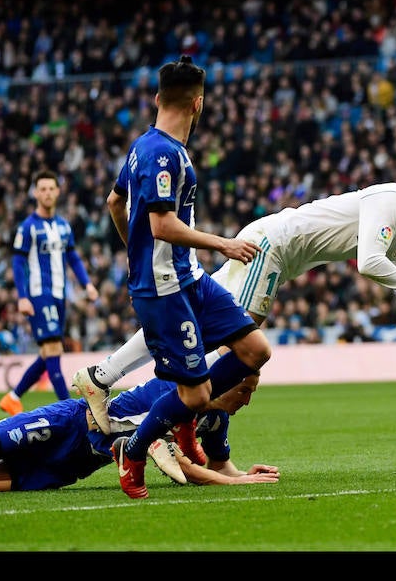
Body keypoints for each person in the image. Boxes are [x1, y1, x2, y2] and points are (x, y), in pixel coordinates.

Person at [74, 155, 396, 435]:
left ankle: (104, 376)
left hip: (276, 255)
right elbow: (369, 262)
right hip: (271, 247)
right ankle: (167, 417)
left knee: (198, 323)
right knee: (242, 345)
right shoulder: (394, 202)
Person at [78, 55, 272, 499]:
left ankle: (185, 416)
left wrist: (135, 255)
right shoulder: (163, 154)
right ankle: (134, 449)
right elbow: (162, 225)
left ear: (157, 98)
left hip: (188, 277)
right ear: (198, 103)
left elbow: (114, 202)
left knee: (255, 350)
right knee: (197, 395)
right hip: (164, 289)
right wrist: (223, 244)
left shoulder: (142, 146)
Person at [0, 374, 277, 499]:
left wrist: (241, 474)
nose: (248, 400)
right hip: (69, 423)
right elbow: (184, 467)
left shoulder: (215, 420)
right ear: (224, 382)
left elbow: (216, 464)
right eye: (245, 390)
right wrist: (237, 483)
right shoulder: (179, 393)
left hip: (79, 461)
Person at [0, 169, 99, 416]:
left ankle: (13, 397)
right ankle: (72, 409)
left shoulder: (63, 226)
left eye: (51, 188)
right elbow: (18, 263)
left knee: (49, 352)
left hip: (59, 295)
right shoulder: (28, 228)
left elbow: (73, 257)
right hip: (38, 294)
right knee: (53, 349)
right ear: (35, 193)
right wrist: (22, 297)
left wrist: (87, 283)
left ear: (58, 191)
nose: (47, 193)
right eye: (42, 189)